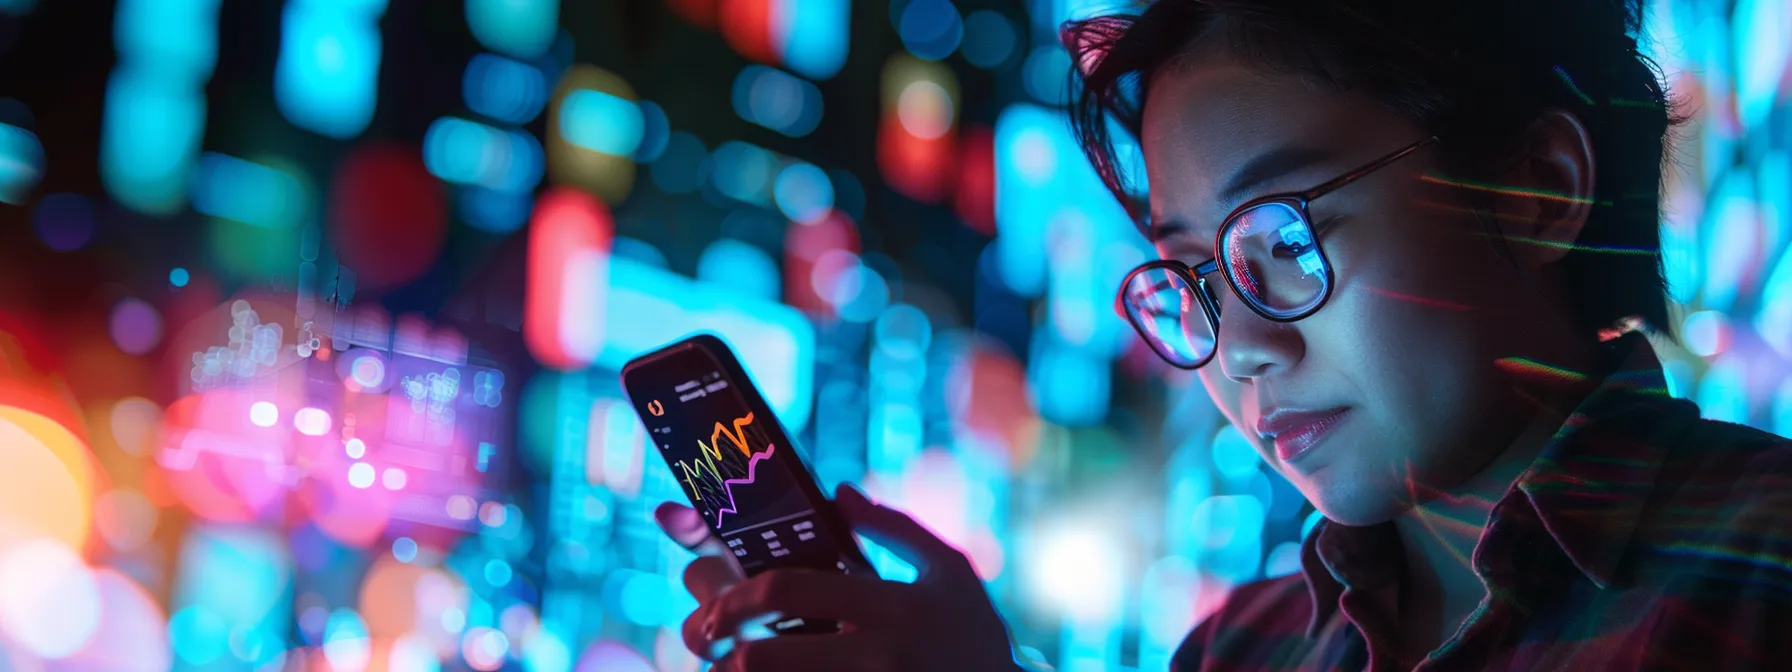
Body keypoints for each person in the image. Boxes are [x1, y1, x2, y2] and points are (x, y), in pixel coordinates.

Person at [654, 0, 1792, 669]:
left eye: (1286, 240)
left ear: (1538, 189)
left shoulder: (1760, 572)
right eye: (1192, 273)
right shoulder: (1246, 648)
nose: (1238, 347)